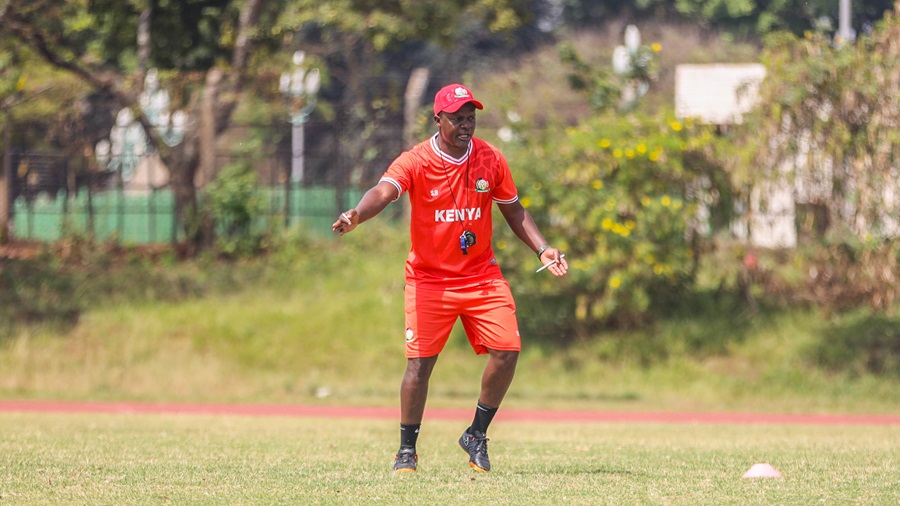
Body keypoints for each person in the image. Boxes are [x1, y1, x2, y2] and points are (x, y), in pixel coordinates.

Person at [332, 83, 568, 473]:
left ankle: (476, 433)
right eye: (457, 117)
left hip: (481, 276)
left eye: (470, 116)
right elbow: (385, 190)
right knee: (419, 366)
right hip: (429, 280)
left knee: (507, 350)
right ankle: (406, 451)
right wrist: (357, 214)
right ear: (437, 119)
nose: (465, 124)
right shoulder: (416, 160)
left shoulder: (490, 158)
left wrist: (543, 248)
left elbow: (513, 210)